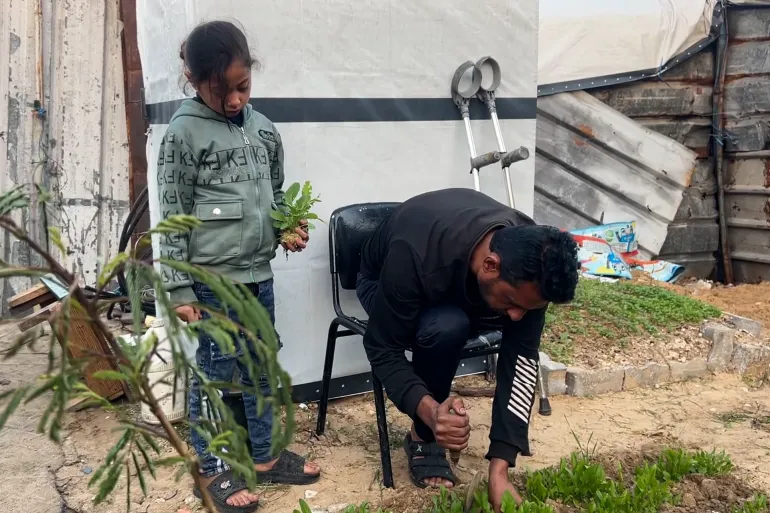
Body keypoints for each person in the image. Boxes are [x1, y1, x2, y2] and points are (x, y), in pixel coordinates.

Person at [157, 20, 321, 513]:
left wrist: (287, 227)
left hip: (257, 277)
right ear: (193, 80)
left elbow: (275, 195)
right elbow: (172, 214)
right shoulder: (183, 134)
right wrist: (179, 289)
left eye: (242, 87)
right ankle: (210, 470)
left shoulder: (263, 129)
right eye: (219, 90)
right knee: (216, 374)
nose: (233, 100)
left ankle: (265, 455)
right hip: (212, 284)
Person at [356, 188, 579, 512]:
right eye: (512, 302)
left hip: (455, 285)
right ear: (490, 265)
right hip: (382, 281)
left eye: (527, 307)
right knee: (447, 325)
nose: (517, 316)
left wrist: (501, 466)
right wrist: (431, 413)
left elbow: (521, 360)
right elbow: (382, 348)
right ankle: (422, 437)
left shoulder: (533, 264)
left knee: (465, 320)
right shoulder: (414, 253)